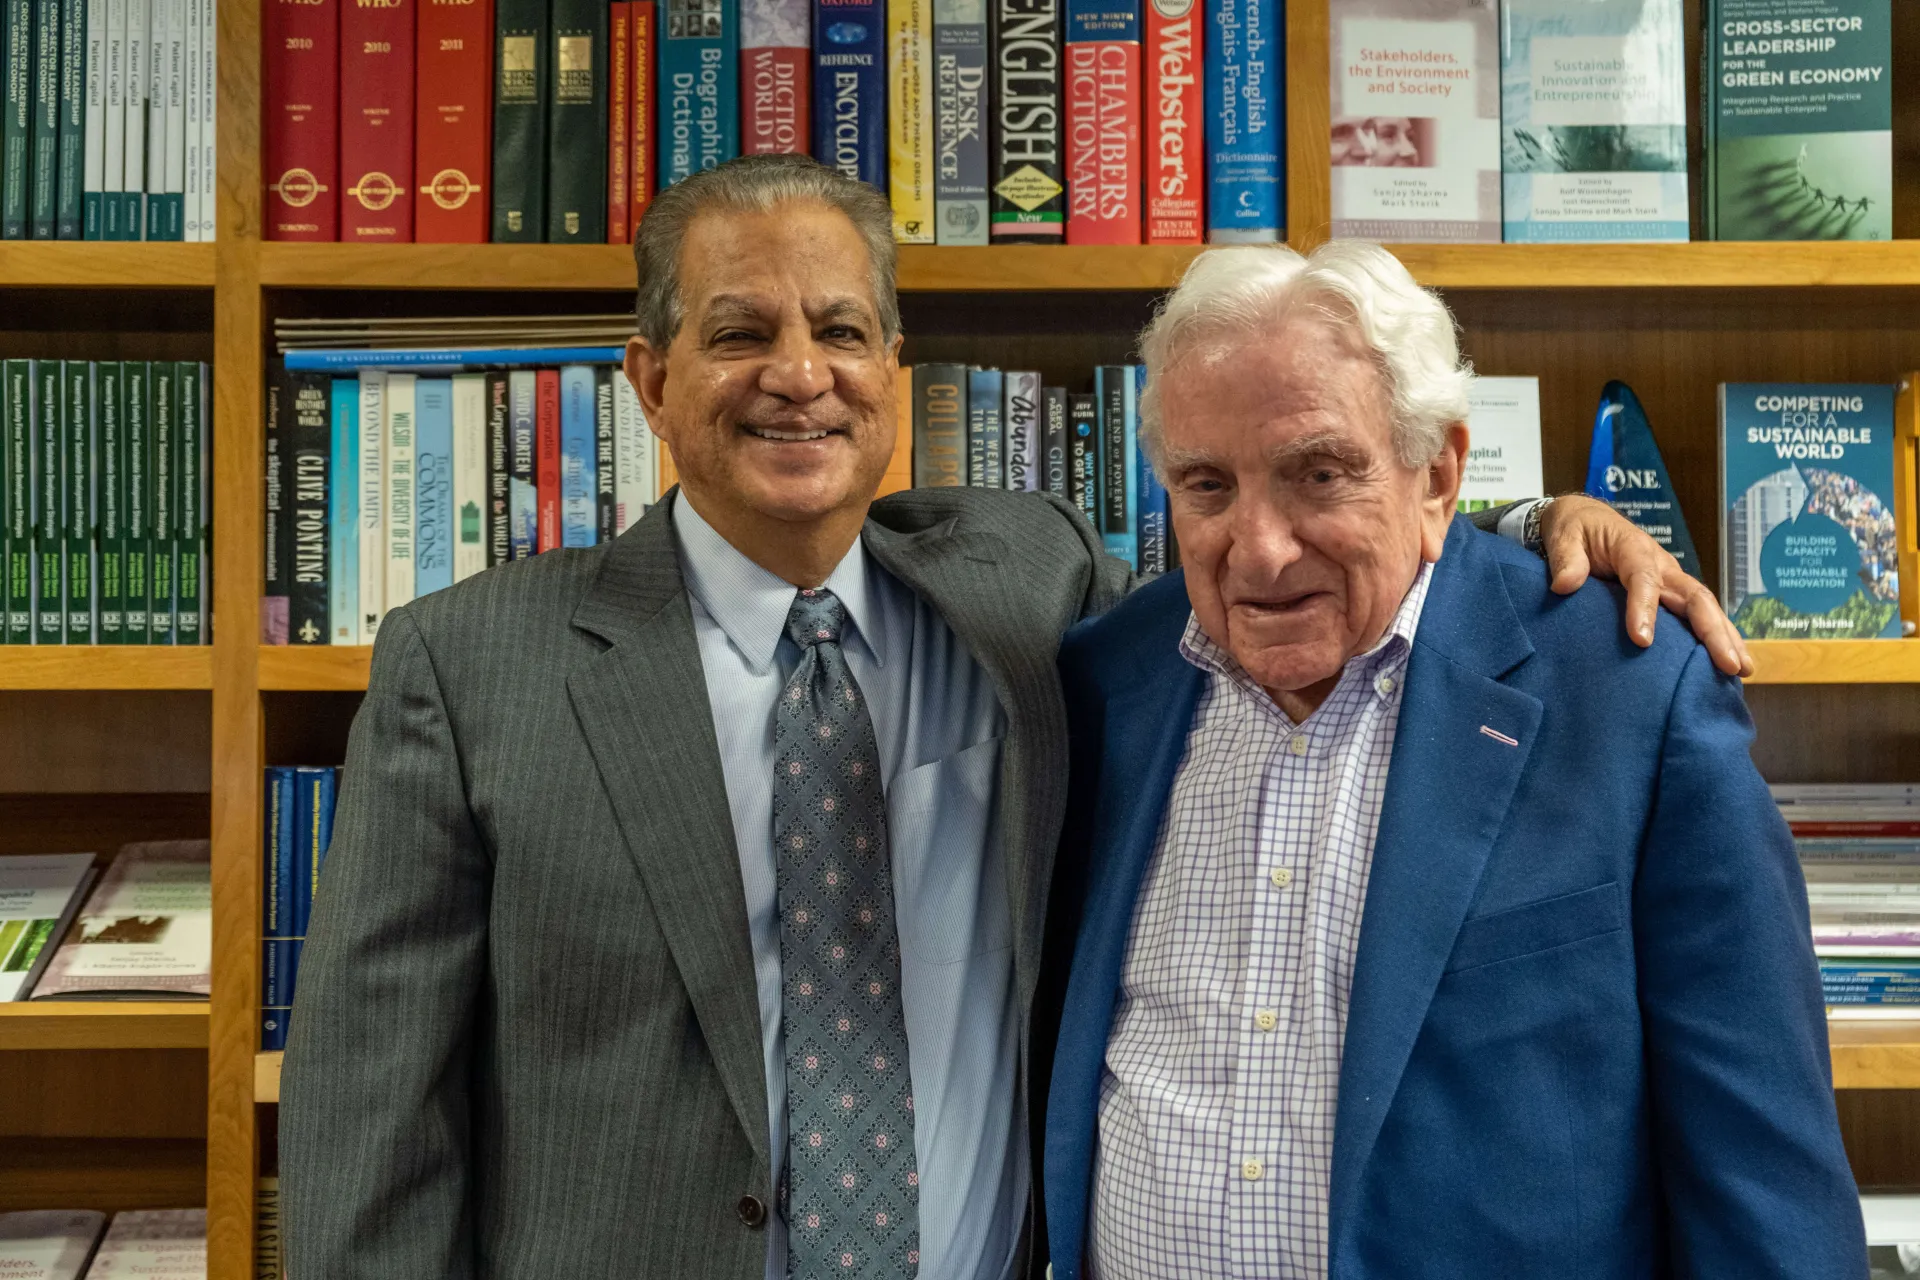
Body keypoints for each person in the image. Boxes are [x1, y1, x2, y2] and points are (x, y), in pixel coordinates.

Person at [278, 155, 1744, 1280]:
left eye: (841, 328)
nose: (800, 373)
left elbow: (1294, 558)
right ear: (652, 383)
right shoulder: (469, 671)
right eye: (739, 334)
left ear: (894, 379)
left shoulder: (1028, 588)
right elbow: (373, 1136)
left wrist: (1538, 527)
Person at [1041, 241, 1864, 1280]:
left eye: (1319, 473)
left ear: (1439, 473)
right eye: (1208, 485)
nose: (1258, 547)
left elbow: (1765, 1177)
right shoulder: (1102, 682)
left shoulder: (1627, 689)